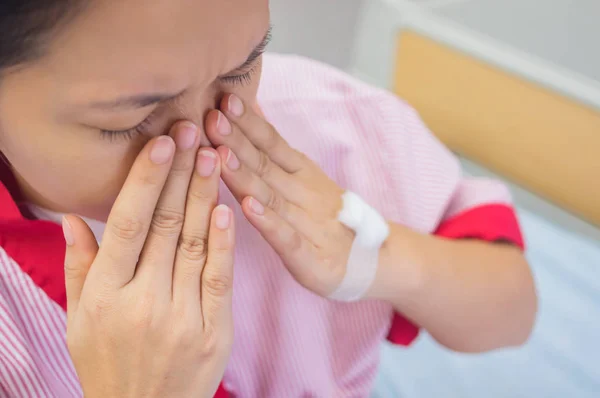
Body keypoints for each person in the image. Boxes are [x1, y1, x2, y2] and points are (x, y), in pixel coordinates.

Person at [0, 0, 538, 397]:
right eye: (133, 119)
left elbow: (513, 310)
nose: (206, 136)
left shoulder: (329, 122)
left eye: (241, 67)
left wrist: (376, 256)